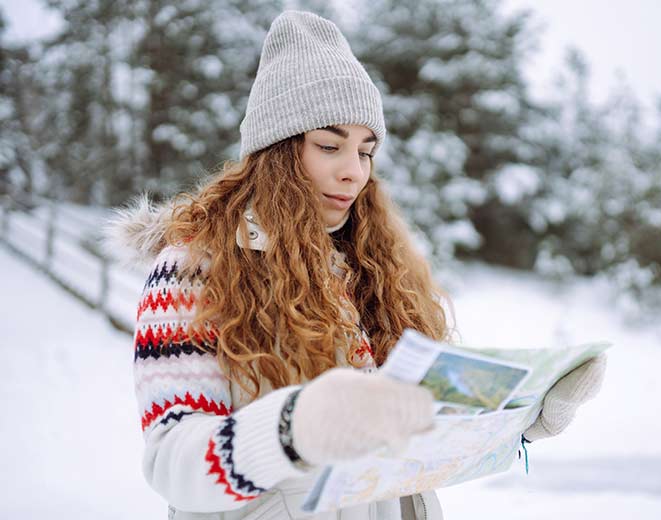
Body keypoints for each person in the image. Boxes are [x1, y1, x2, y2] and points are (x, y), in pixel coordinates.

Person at [106, 10, 606, 520]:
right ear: (274, 153)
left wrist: (521, 420)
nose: (354, 172)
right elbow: (173, 462)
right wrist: (292, 428)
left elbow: (414, 441)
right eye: (329, 145)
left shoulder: (368, 272)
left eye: (366, 152)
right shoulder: (193, 269)